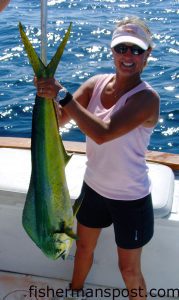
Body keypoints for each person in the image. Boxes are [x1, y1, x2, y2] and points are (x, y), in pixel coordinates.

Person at [35, 16, 160, 300]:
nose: (128, 56)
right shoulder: (95, 84)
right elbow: (60, 120)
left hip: (131, 199)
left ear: (147, 54)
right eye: (122, 48)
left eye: (136, 50)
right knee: (82, 251)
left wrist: (63, 95)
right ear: (112, 50)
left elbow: (104, 132)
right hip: (93, 189)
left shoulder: (147, 99)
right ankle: (74, 293)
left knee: (128, 269)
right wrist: (46, 98)